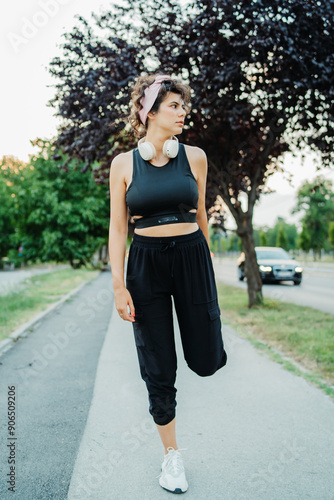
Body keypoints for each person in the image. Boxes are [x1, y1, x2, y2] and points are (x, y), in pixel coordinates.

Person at [108, 73, 227, 494]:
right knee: (158, 365)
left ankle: (206, 350)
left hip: (192, 259)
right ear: (151, 111)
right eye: (175, 105)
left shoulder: (194, 157)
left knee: (208, 359)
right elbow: (117, 229)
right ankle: (171, 457)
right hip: (145, 266)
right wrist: (119, 286)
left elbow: (200, 216)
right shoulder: (124, 164)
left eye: (183, 105)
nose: (183, 112)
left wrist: (209, 265)